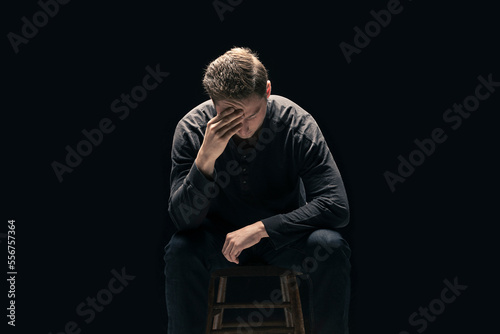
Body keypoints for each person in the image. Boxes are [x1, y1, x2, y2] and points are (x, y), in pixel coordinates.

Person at [164, 47, 351, 334]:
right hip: (218, 241)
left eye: (251, 114)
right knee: (180, 249)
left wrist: (262, 228)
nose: (242, 127)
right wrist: (205, 159)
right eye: (228, 115)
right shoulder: (191, 130)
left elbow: (336, 206)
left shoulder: (296, 124)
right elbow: (183, 222)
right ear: (213, 102)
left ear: (267, 90)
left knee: (330, 244)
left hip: (282, 239)